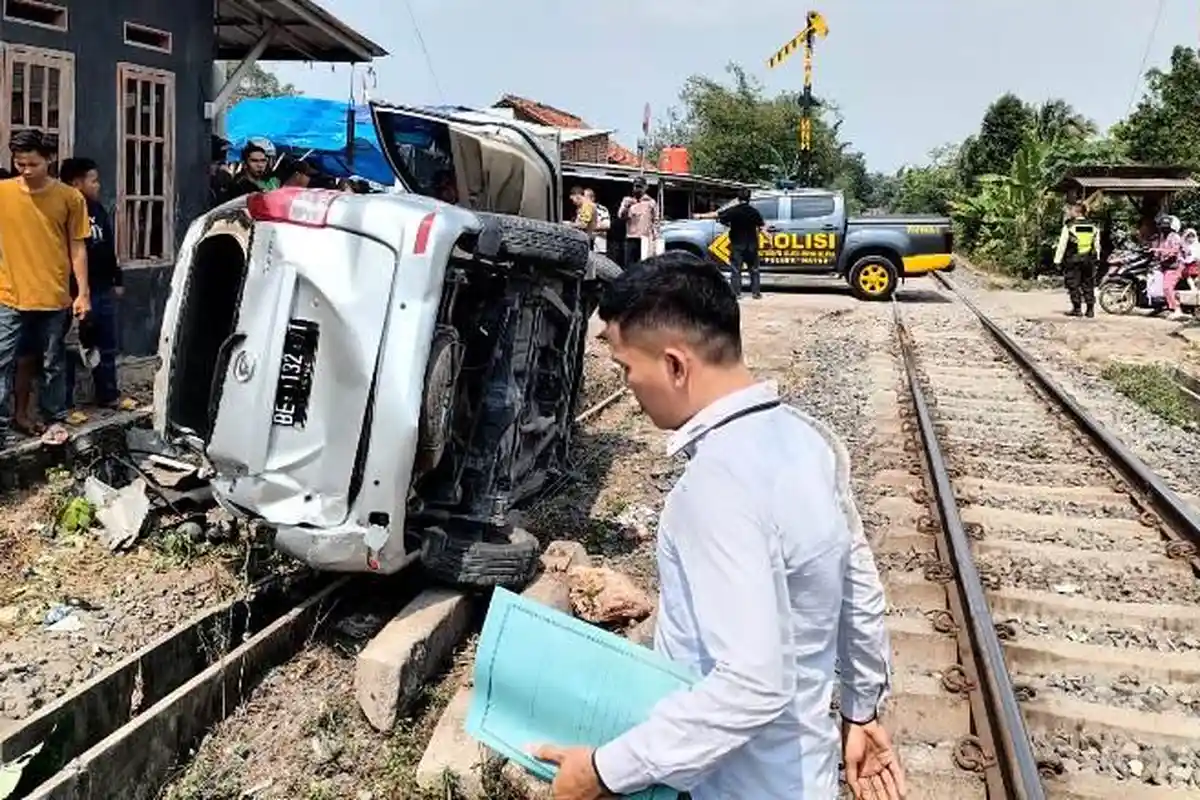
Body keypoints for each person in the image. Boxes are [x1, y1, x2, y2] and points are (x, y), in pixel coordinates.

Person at [531, 252, 901, 800]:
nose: (629, 388)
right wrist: (862, 707)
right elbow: (859, 587)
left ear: (676, 366)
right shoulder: (808, 440)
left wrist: (605, 770)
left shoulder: (716, 483)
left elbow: (752, 684)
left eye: (627, 368)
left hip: (735, 784)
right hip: (803, 771)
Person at [0, 129, 91, 447]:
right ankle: (6, 423)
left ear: (49, 160)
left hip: (54, 297)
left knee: (53, 362)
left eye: (32, 164)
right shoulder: (3, 193)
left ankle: (54, 419)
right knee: (4, 360)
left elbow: (77, 247)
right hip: (8, 296)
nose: (24, 170)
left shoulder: (69, 197)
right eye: (19, 163)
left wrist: (83, 292)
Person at [58, 157, 122, 409]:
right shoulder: (64, 210)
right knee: (71, 349)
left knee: (106, 345)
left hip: (101, 288)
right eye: (93, 181)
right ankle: (64, 404)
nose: (98, 186)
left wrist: (117, 277)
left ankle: (108, 394)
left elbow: (108, 246)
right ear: (76, 183)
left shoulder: (97, 209)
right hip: (71, 291)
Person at [700, 189, 765, 299]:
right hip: (751, 245)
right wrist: (769, 236)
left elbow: (717, 215)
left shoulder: (733, 211)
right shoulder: (754, 211)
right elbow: (762, 227)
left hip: (737, 245)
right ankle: (756, 293)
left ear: (738, 199)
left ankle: (736, 293)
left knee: (736, 270)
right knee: (754, 269)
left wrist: (700, 216)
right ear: (749, 199)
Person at [1053, 201, 1101, 317]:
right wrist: (1097, 258)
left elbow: (1062, 245)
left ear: (1076, 212)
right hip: (1088, 260)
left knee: (1073, 284)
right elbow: (1097, 245)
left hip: (1073, 260)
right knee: (1088, 284)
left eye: (1071, 210)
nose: (1070, 212)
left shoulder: (1069, 227)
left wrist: (1057, 261)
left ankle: (1077, 309)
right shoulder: (1093, 226)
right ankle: (1090, 310)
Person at [617, 177, 659, 266]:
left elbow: (656, 220)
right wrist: (626, 206)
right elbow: (620, 216)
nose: (637, 189)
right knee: (629, 265)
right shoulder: (627, 200)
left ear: (645, 188)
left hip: (645, 238)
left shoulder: (651, 202)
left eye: (640, 187)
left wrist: (655, 237)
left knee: (645, 265)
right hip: (631, 237)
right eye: (636, 186)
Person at [584, 188, 611, 253]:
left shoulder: (602, 209)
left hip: (599, 247)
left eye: (585, 198)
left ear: (592, 198)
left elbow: (607, 225)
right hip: (585, 246)